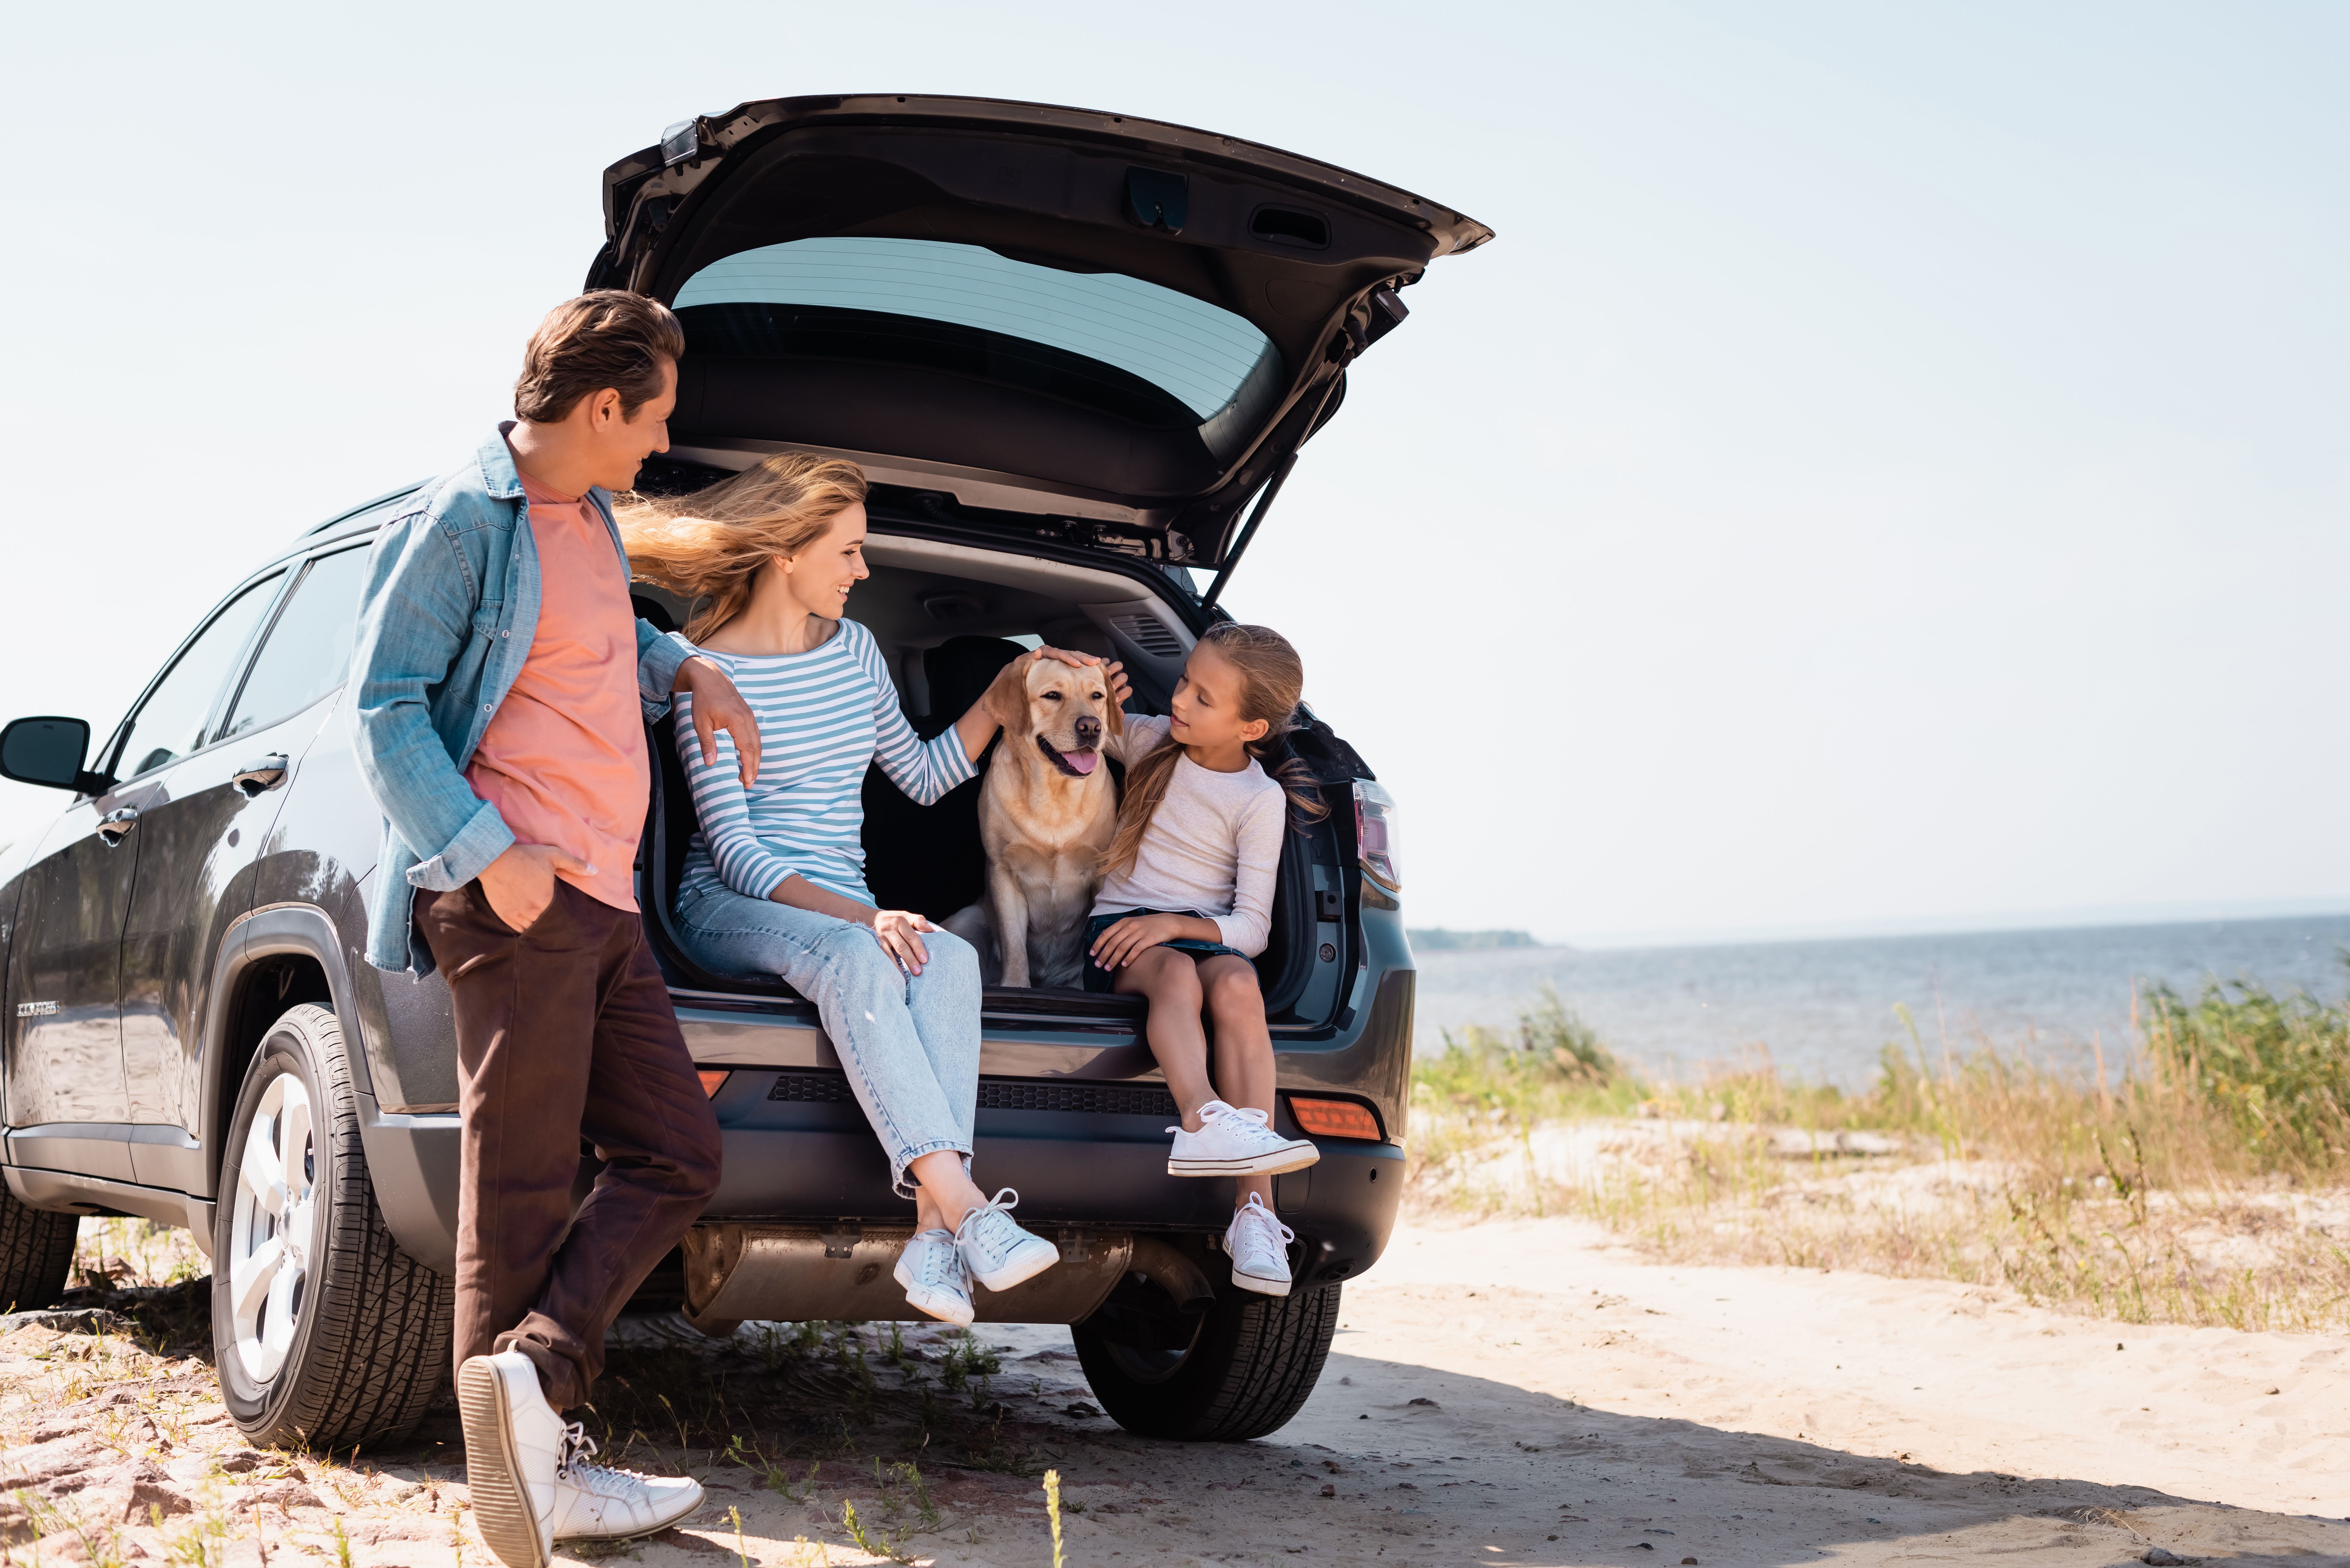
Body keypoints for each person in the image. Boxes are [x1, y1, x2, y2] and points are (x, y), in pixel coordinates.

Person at [351, 292, 762, 1568]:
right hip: (518, 894)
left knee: (677, 1151)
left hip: (604, 898)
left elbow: (592, 636)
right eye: (657, 418)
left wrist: (684, 663)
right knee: (522, 1187)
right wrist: (487, 852)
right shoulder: (465, 518)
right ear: (603, 406)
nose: (664, 443)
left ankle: (529, 1388)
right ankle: (529, 1482)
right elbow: (383, 704)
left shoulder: (586, 514)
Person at [619, 454, 1127, 1325]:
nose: (862, 570)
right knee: (860, 955)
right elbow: (737, 856)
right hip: (732, 907)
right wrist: (868, 915)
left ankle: (932, 1243)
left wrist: (1003, 696)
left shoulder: (855, 651)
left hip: (845, 905)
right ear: (786, 553)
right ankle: (970, 1211)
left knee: (952, 959)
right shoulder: (705, 675)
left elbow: (925, 777)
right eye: (848, 551)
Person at [1085, 623, 1328, 1296]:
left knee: (1239, 981)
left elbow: (1252, 928)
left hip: (1196, 933)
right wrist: (1096, 688)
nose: (1180, 700)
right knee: (1173, 971)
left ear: (1252, 728)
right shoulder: (1147, 741)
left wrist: (1175, 923)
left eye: (1203, 697)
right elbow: (1078, 723)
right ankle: (1200, 1120)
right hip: (1122, 933)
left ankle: (1256, 1214)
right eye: (1185, 681)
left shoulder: (1259, 799)